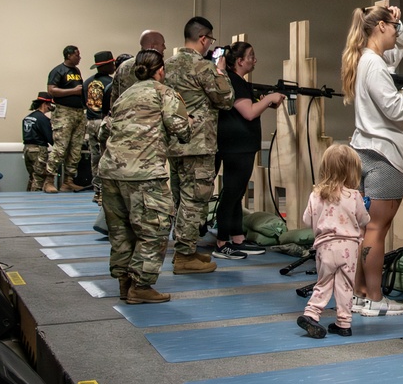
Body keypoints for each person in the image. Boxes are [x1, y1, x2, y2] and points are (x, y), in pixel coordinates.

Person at [341, 4, 403, 317]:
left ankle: (361, 294)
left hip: (368, 154)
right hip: (384, 157)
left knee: (368, 230)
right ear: (379, 27)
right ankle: (375, 298)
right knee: (376, 230)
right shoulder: (373, 65)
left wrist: (399, 22)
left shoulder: (371, 59)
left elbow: (398, 47)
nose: (395, 32)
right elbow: (395, 108)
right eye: (392, 26)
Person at [99, 50, 191, 304]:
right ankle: (141, 286)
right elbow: (181, 130)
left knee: (121, 231)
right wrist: (190, 121)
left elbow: (103, 130)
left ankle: (124, 283)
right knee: (155, 229)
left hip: (111, 172)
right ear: (161, 70)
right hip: (144, 173)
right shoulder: (164, 93)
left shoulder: (125, 95)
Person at [164, 17, 234, 274]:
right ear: (203, 38)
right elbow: (225, 99)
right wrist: (221, 70)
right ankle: (184, 257)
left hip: (174, 142)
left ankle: (186, 250)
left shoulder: (167, 65)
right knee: (195, 200)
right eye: (210, 41)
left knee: (180, 198)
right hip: (198, 143)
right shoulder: (203, 67)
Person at [213, 41, 285, 260]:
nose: (255, 60)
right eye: (251, 56)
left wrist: (264, 101)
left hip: (241, 145)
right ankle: (222, 241)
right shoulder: (233, 81)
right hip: (236, 146)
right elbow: (249, 113)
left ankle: (237, 238)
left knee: (237, 193)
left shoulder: (239, 82)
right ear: (240, 61)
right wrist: (270, 99)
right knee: (232, 193)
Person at [296, 144, 370, 339]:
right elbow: (364, 220)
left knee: (324, 282)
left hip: (325, 247)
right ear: (352, 170)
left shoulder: (316, 194)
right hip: (350, 248)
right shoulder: (354, 196)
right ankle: (344, 323)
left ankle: (312, 314)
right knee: (345, 285)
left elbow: (306, 219)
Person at [43, 45, 86, 193]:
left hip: (79, 112)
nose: (79, 57)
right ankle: (48, 180)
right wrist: (73, 91)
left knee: (75, 149)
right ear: (68, 55)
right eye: (77, 55)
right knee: (60, 148)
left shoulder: (76, 71)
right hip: (63, 112)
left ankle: (68, 181)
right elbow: (51, 90)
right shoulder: (58, 70)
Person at [83, 50, 115, 204]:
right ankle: (105, 192)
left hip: (90, 122)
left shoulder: (86, 82)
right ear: (107, 65)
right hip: (103, 122)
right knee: (106, 157)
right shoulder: (111, 83)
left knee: (95, 158)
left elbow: (85, 102)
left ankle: (97, 191)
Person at [113, 31, 165, 106]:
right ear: (153, 46)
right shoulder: (160, 67)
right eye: (162, 44)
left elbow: (114, 99)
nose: (164, 47)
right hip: (153, 114)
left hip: (125, 114)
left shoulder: (123, 67)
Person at [22, 92, 54, 191]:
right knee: (39, 178)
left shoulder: (27, 117)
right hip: (38, 150)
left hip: (27, 149)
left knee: (32, 177)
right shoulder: (42, 119)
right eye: (49, 105)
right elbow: (50, 137)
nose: (50, 107)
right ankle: (35, 201)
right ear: (45, 104)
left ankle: (28, 198)